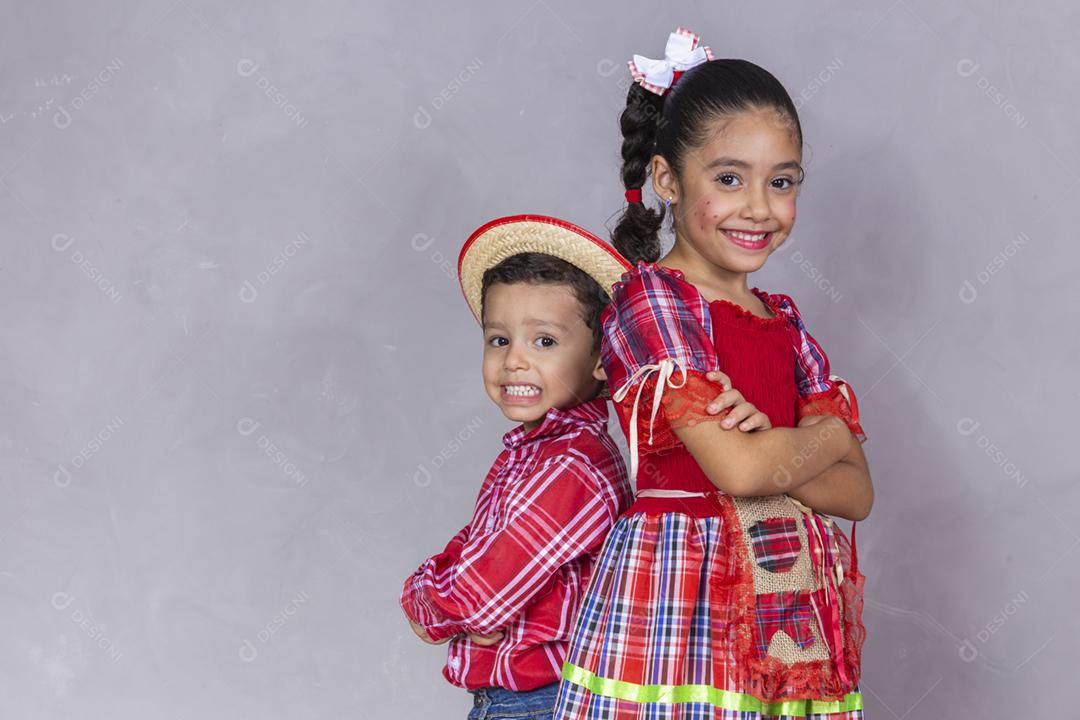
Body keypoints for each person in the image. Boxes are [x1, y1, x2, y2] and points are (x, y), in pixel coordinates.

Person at [554, 28, 873, 719]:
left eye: (781, 182)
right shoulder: (652, 302)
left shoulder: (784, 320)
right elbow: (737, 471)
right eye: (729, 178)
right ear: (667, 179)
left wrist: (777, 451)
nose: (759, 207)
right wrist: (820, 440)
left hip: (788, 597)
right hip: (683, 596)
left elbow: (856, 494)